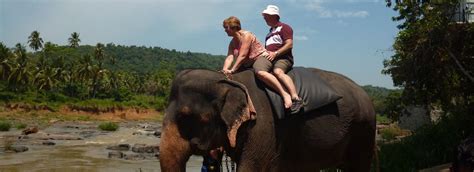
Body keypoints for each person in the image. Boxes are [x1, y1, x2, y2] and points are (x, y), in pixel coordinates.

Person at [256, 5, 303, 113]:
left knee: (278, 71)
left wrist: (276, 53)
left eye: (266, 15)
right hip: (270, 58)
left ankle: (296, 98)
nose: (264, 18)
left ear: (274, 16)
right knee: (260, 72)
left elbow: (289, 44)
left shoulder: (285, 27)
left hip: (283, 58)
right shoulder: (268, 34)